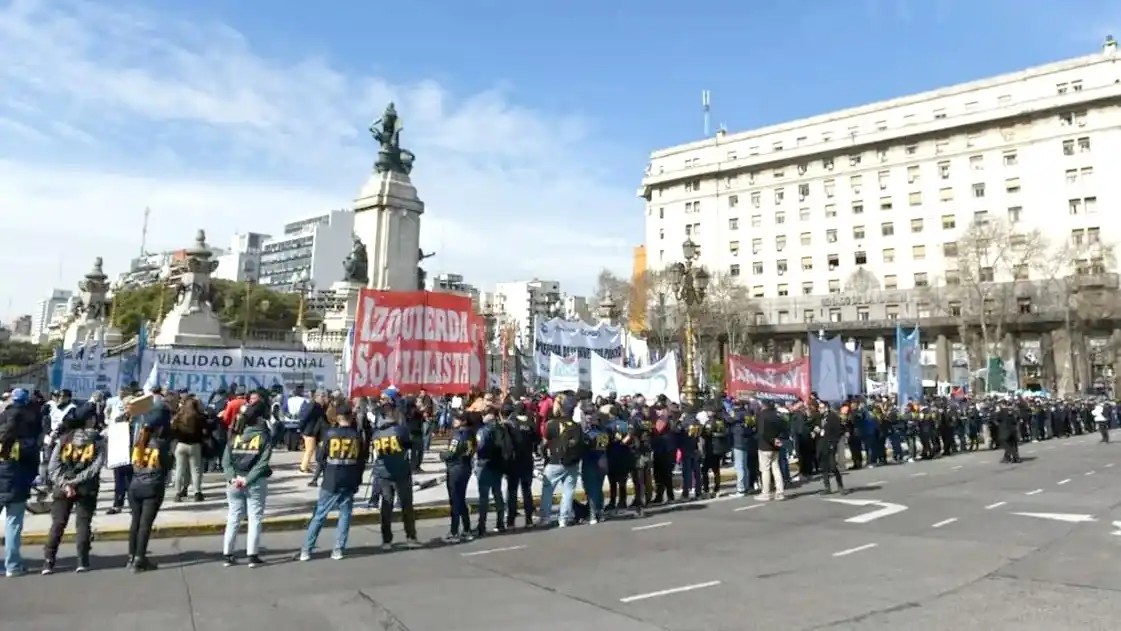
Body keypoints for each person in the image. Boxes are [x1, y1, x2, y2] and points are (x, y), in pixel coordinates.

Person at [42, 403, 106, 574]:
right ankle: (82, 560)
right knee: (83, 523)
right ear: (90, 420)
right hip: (87, 488)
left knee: (58, 524)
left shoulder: (64, 439)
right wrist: (76, 482)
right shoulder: (98, 440)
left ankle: (49, 561)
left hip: (63, 487)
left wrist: (65, 484)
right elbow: (95, 468)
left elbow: (53, 467)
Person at [299, 402, 366, 561]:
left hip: (331, 478)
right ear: (351, 417)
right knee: (345, 515)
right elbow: (362, 460)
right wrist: (358, 480)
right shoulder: (357, 436)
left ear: (337, 418)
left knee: (320, 515)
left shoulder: (330, 434)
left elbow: (321, 457)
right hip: (349, 478)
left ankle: (306, 550)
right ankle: (338, 549)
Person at [221, 391, 274, 568]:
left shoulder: (234, 435)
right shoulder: (263, 436)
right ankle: (252, 555)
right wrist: (248, 479)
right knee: (255, 518)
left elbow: (226, 460)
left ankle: (227, 554)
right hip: (254, 482)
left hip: (234, 481)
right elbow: (263, 463)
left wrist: (231, 478)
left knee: (233, 517)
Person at [0, 388, 42, 577]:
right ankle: (13, 565)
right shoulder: (29, 428)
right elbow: (33, 459)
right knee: (13, 524)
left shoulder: (3, 418)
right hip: (16, 480)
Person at [372, 400, 422, 549]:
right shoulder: (400, 430)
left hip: (383, 472)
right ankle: (410, 537)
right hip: (400, 471)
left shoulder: (376, 434)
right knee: (406, 505)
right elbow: (409, 444)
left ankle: (386, 540)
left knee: (386, 506)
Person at [127, 411, 173, 572]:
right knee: (145, 525)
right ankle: (140, 558)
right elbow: (167, 466)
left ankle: (131, 556)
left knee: (135, 522)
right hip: (153, 486)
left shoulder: (139, 442)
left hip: (135, 485)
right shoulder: (162, 444)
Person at [539, 404, 583, 528]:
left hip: (554, 461)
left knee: (547, 491)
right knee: (568, 491)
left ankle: (545, 517)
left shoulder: (551, 424)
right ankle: (563, 519)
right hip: (571, 463)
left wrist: (544, 455)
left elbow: (544, 443)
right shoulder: (576, 426)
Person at [441, 411, 475, 543]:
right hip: (466, 467)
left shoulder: (458, 435)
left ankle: (454, 531)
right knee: (461, 499)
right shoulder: (471, 434)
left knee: (455, 501)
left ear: (463, 421)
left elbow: (451, 453)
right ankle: (466, 529)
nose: (454, 421)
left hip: (455, 469)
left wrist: (442, 455)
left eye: (457, 419)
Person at [171, 391, 207, 502]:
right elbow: (205, 432)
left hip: (181, 445)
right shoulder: (199, 417)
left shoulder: (179, 416)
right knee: (195, 470)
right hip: (195, 445)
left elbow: (173, 430)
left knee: (179, 470)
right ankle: (197, 492)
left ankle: (177, 493)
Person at [755, 401, 787, 502]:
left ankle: (766, 493)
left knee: (765, 470)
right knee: (776, 468)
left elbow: (762, 431)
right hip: (776, 446)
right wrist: (778, 439)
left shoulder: (761, 416)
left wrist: (772, 440)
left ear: (763, 406)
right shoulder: (778, 416)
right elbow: (784, 429)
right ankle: (780, 492)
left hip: (765, 445)